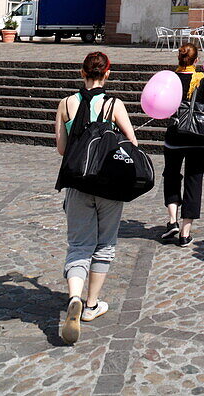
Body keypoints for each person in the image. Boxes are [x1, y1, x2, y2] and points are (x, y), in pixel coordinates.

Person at [54, 51, 138, 346]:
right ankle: (91, 305)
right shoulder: (114, 104)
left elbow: (62, 150)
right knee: (105, 244)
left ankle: (74, 296)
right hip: (108, 186)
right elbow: (133, 143)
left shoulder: (66, 104)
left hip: (77, 184)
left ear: (82, 73)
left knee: (79, 244)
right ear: (108, 74)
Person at [161, 43, 204, 246]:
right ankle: (185, 233)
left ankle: (172, 220)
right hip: (197, 138)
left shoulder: (170, 79)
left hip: (174, 136)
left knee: (171, 176)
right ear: (196, 60)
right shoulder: (203, 79)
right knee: (194, 180)